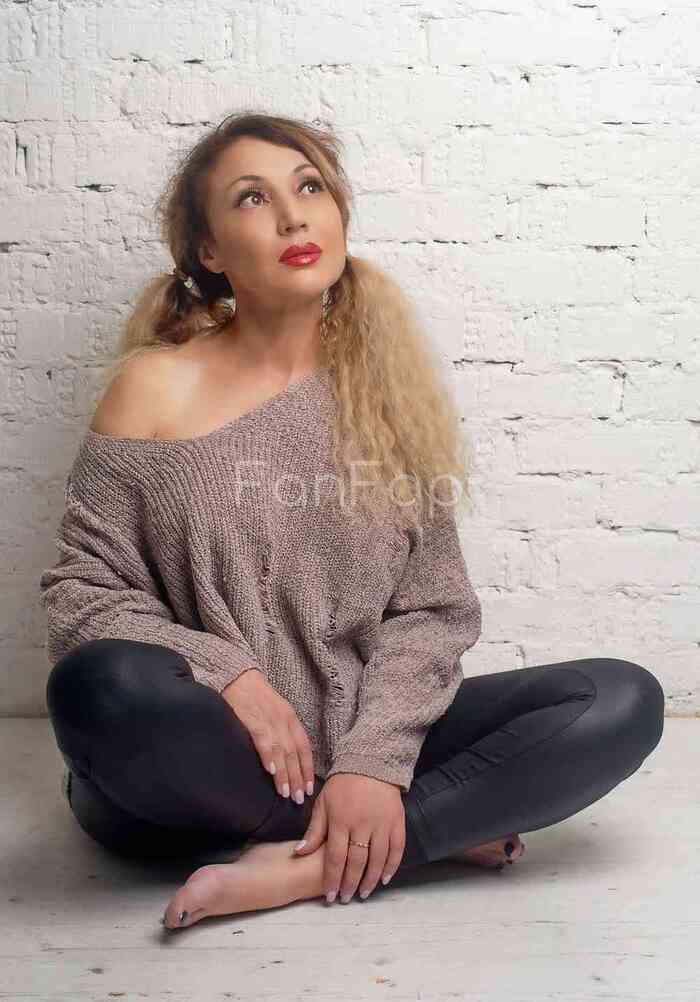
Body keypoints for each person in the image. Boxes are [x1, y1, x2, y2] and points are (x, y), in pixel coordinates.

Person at [39, 111, 665, 932]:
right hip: (202, 761)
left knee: (620, 699)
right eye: (252, 198)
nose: (292, 216)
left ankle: (301, 867)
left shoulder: (384, 398)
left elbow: (432, 612)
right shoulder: (153, 387)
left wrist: (372, 763)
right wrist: (228, 673)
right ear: (210, 251)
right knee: (102, 687)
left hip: (364, 731)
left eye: (309, 188)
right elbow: (83, 593)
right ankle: (423, 832)